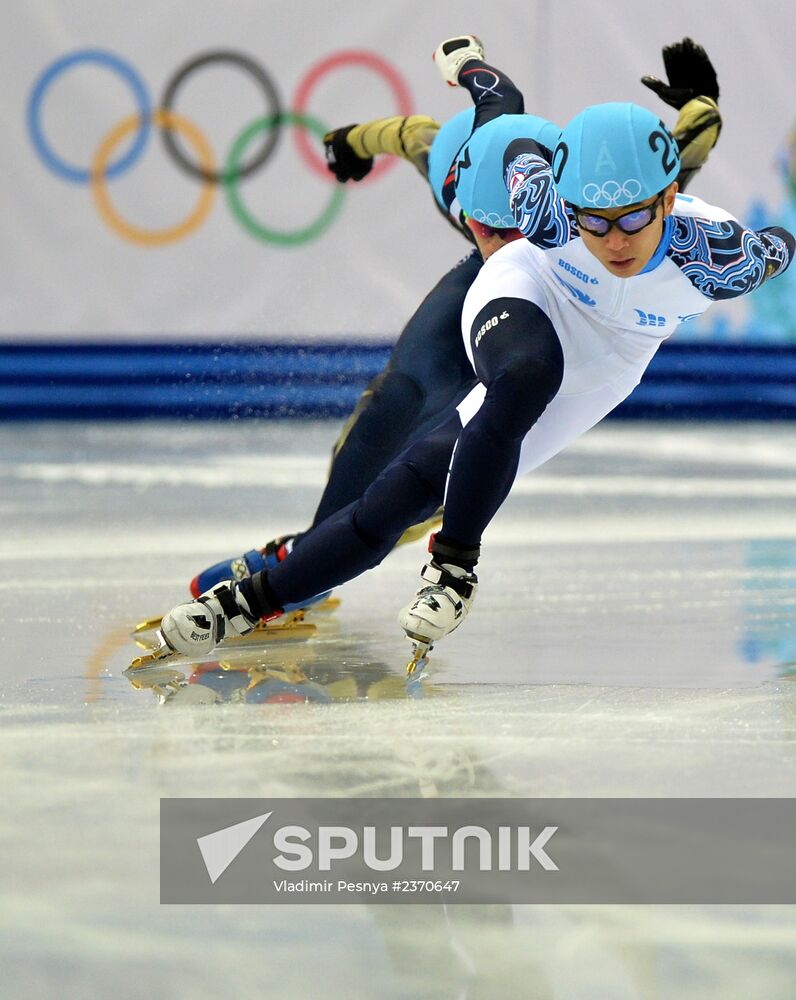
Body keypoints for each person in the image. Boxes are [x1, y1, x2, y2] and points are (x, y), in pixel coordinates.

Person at [156, 36, 787, 667]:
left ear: (665, 201)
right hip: (522, 290)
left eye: (627, 219)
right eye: (486, 225)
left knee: (434, 473)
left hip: (607, 346)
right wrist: (355, 139)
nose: (611, 234)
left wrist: (702, 106)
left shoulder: (685, 240)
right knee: (400, 401)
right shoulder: (535, 211)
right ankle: (374, 563)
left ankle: (308, 564)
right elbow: (420, 131)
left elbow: (674, 165)